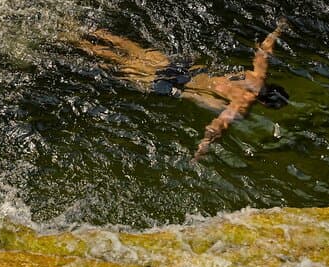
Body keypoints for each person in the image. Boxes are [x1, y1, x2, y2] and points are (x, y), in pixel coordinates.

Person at [74, 19, 289, 161]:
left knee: (127, 46)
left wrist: (278, 29)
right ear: (263, 103)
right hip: (177, 83)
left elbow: (263, 50)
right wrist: (202, 148)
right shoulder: (242, 103)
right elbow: (219, 125)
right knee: (115, 62)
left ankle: (77, 27)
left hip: (185, 68)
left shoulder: (258, 75)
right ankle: (73, 40)